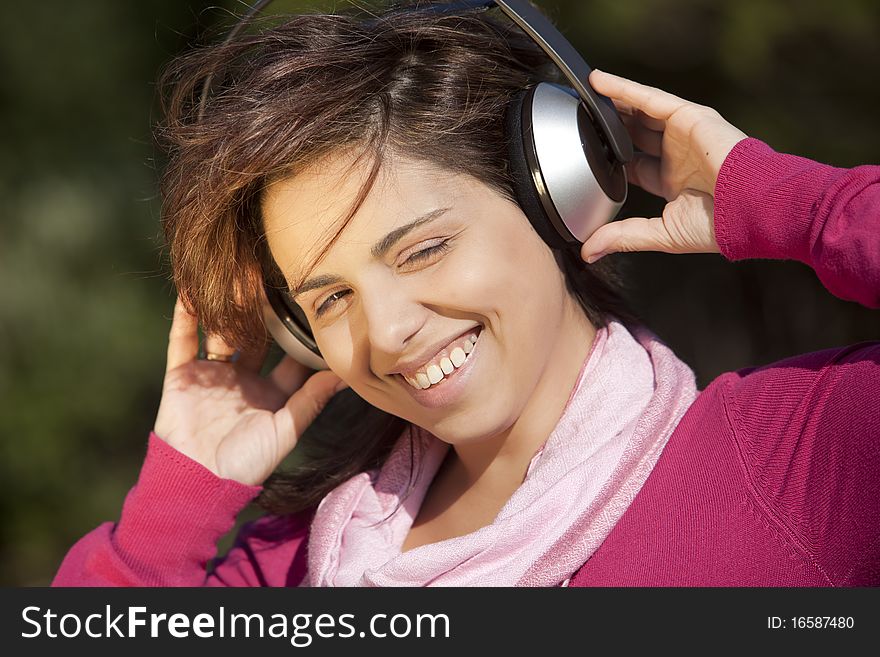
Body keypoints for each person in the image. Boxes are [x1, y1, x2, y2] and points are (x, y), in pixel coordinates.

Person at [53, 5, 878, 587]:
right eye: (331, 298)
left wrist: (792, 204)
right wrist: (176, 500)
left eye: (423, 249)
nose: (387, 329)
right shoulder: (303, 560)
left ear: (558, 194)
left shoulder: (795, 462)